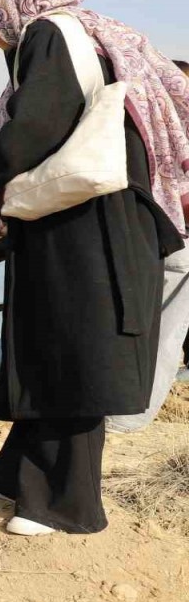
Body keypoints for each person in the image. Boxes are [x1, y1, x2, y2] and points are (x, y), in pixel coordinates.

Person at [0, 0, 186, 536]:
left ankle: (65, 506)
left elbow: (40, 124)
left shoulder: (50, 31)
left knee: (76, 354)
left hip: (88, 229)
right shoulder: (81, 37)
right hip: (81, 223)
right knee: (47, 345)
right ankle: (16, 473)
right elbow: (58, 114)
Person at [109, 57, 189, 433]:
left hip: (147, 234)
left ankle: (119, 411)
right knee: (166, 332)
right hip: (176, 238)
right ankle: (130, 417)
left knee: (138, 325)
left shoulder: (142, 121)